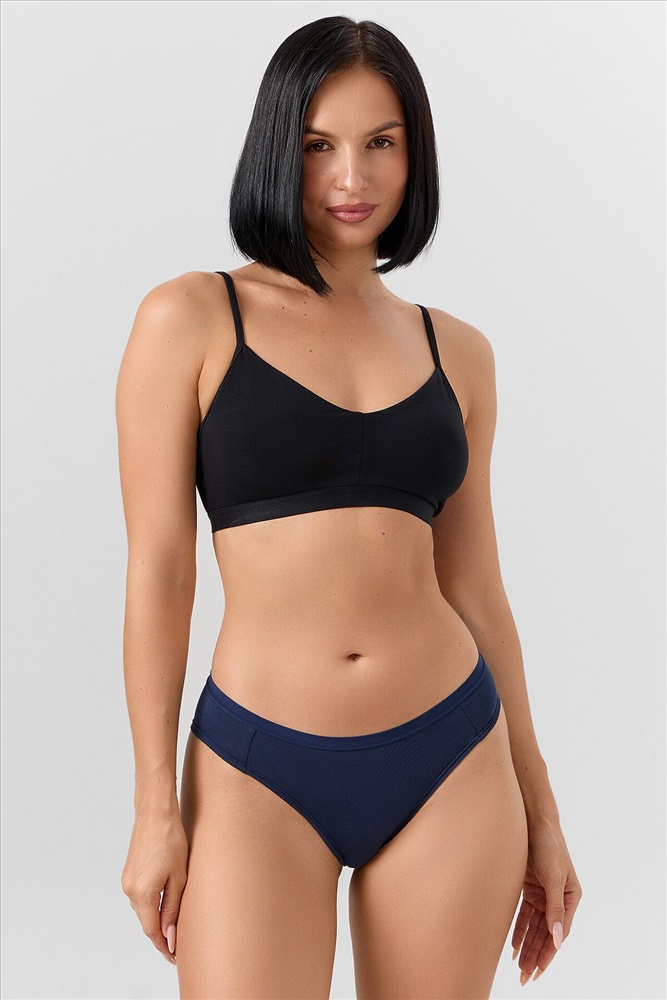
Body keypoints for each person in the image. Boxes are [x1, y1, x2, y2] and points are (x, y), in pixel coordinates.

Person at [116, 15, 582, 999]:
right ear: (276, 148)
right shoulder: (191, 318)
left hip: (454, 755)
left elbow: (477, 592)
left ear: (415, 153)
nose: (351, 177)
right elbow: (159, 569)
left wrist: (542, 809)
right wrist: (155, 803)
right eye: (317, 145)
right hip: (256, 764)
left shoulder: (458, 352)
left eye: (381, 142)